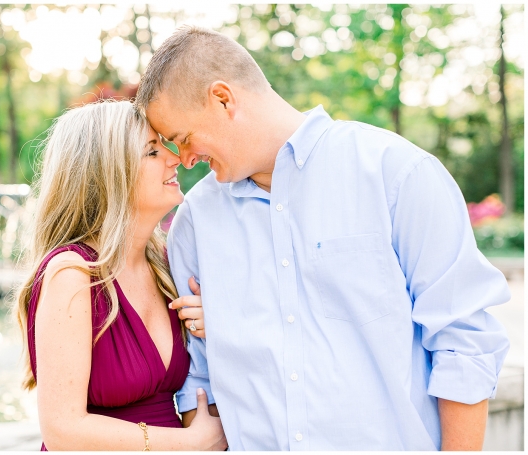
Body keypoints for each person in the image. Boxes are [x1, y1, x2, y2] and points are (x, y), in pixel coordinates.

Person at [135, 26, 511, 451]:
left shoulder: (397, 175)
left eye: (184, 139)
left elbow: (463, 342)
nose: (183, 160)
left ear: (223, 99)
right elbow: (200, 381)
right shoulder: (195, 223)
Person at [12, 100, 227, 451]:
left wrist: (217, 322)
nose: (174, 158)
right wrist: (189, 443)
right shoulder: (73, 274)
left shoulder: (164, 264)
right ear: (110, 172)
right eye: (152, 151)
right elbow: (62, 430)